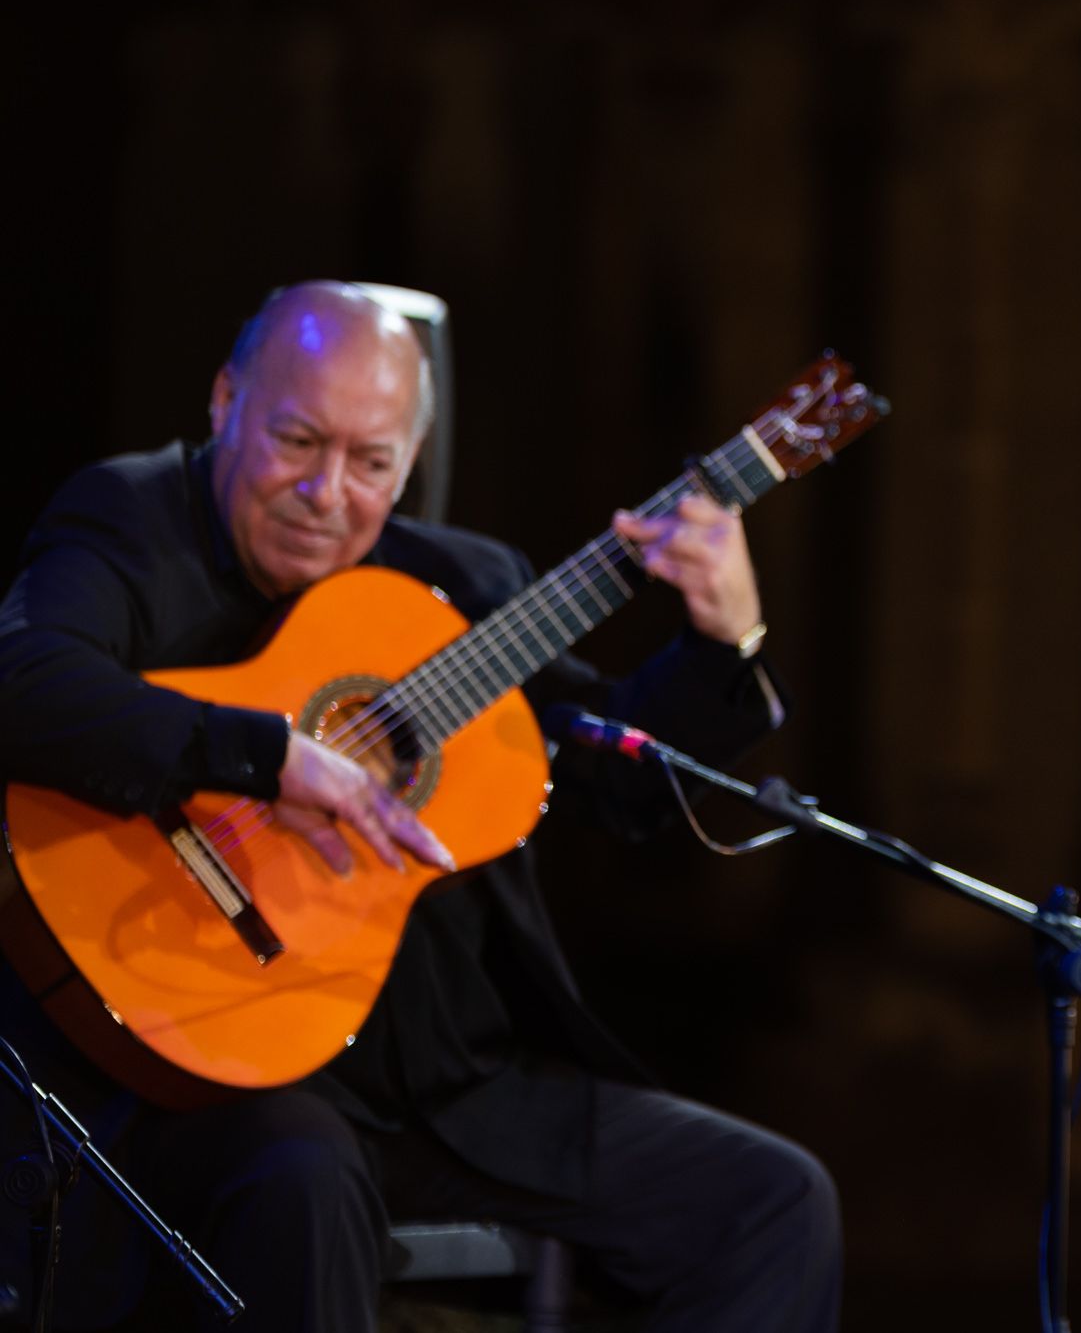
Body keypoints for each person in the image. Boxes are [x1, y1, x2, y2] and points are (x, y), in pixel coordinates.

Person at [0, 282, 839, 1330]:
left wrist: (726, 643)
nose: (326, 491)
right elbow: (23, 685)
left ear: (413, 459)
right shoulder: (130, 520)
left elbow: (619, 778)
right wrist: (268, 757)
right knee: (301, 1179)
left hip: (458, 1090)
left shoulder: (461, 590)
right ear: (225, 402)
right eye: (297, 440)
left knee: (773, 1202)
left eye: (371, 463)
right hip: (228, 1072)